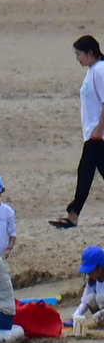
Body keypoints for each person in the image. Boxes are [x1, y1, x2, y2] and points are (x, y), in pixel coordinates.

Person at [52, 36, 104, 229]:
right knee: (86, 173)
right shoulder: (93, 71)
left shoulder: (100, 70)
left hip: (98, 136)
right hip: (93, 134)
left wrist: (98, 130)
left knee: (85, 173)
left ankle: (72, 215)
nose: (78, 58)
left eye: (79, 54)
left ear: (90, 53)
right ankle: (72, 215)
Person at [72, 245, 104, 327]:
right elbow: (84, 302)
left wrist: (98, 315)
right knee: (90, 298)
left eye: (90, 271)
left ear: (100, 268)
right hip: (101, 313)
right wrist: (75, 317)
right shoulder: (93, 280)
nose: (88, 274)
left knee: (100, 297)